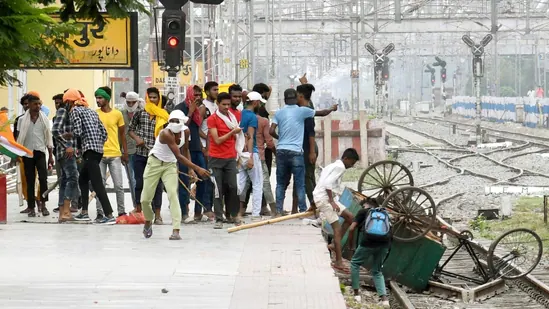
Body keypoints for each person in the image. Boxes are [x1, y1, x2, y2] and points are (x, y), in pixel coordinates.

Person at [141, 110, 210, 240]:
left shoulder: (186, 131)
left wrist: (190, 170)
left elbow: (185, 150)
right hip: (154, 163)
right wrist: (197, 168)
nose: (174, 124)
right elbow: (178, 155)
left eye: (176, 121)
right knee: (145, 199)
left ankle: (176, 230)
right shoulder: (165, 133)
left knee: (173, 194)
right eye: (171, 121)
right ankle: (148, 220)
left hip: (170, 165)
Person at [269, 88, 337, 216]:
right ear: (296, 99)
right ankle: (301, 211)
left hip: (281, 151)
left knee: (281, 183)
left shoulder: (279, 113)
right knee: (300, 183)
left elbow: (271, 131)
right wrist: (332, 108)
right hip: (296, 152)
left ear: (284, 100)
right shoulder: (302, 111)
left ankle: (278, 211)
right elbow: (322, 113)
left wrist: (280, 138)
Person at [63, 89, 115, 224]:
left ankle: (109, 215)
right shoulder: (91, 111)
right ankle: (84, 212)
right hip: (98, 151)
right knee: (83, 179)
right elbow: (104, 133)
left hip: (89, 151)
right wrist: (96, 143)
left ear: (70, 102)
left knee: (97, 184)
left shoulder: (75, 111)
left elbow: (78, 131)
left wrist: (70, 135)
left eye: (66, 103)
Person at [313, 148, 359, 272]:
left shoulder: (333, 165)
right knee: (337, 229)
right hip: (325, 199)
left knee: (350, 217)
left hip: (327, 197)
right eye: (352, 162)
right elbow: (327, 184)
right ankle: (338, 262)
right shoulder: (340, 167)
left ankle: (334, 244)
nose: (352, 165)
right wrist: (332, 202)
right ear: (346, 159)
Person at [128, 88, 167, 223]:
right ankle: (139, 211)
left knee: (157, 185)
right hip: (141, 154)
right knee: (140, 183)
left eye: (155, 97)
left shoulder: (163, 115)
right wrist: (137, 139)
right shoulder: (140, 113)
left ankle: (157, 214)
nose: (152, 100)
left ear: (159, 99)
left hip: (157, 155)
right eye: (150, 97)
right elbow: (130, 130)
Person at [175, 85, 213, 222]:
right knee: (185, 180)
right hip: (184, 149)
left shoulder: (201, 109)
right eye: (195, 95)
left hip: (197, 147)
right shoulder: (180, 108)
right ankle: (184, 213)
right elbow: (181, 127)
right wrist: (190, 112)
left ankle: (198, 212)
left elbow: (201, 128)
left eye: (199, 95)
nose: (197, 98)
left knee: (204, 178)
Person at [207, 92, 243, 229]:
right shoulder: (213, 119)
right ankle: (218, 218)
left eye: (228, 104)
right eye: (224, 104)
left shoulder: (234, 117)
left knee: (233, 187)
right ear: (218, 104)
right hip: (216, 158)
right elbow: (216, 140)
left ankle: (232, 214)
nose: (226, 107)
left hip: (230, 158)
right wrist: (232, 133)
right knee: (218, 189)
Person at [348, 197, 391, 308]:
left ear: (366, 204)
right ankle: (385, 300)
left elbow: (351, 229)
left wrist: (351, 246)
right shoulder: (384, 213)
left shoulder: (363, 212)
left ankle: (357, 294)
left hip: (367, 243)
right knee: (377, 271)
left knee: (355, 263)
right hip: (384, 245)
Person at [16, 94, 54, 217]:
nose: (38, 106)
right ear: (30, 104)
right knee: (30, 180)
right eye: (35, 104)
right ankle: (31, 206)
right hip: (27, 152)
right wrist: (16, 154)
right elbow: (19, 138)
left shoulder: (44, 119)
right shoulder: (22, 120)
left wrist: (51, 156)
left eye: (39, 104)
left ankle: (43, 205)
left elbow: (48, 138)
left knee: (43, 179)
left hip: (40, 152)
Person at [95, 86, 129, 220]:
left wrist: (125, 153)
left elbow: (122, 135)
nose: (98, 100)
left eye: (100, 98)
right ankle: (100, 212)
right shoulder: (95, 113)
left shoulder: (117, 114)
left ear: (107, 99)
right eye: (96, 98)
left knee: (119, 185)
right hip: (99, 154)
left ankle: (121, 211)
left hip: (115, 154)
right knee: (100, 185)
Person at [236, 91, 264, 220]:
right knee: (257, 184)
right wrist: (251, 156)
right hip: (251, 153)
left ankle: (234, 211)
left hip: (239, 152)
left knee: (239, 184)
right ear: (255, 103)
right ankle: (256, 214)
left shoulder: (238, 115)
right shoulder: (252, 117)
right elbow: (251, 137)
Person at [292, 83, 318, 214]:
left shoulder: (306, 112)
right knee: (302, 177)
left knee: (307, 178)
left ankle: (315, 204)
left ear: (301, 96)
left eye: (296, 95)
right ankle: (294, 208)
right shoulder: (304, 108)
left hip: (308, 148)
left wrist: (312, 152)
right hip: (302, 148)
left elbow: (311, 133)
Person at [120, 91, 141, 206]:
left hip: (141, 151)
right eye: (129, 102)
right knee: (131, 180)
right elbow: (120, 134)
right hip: (127, 150)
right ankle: (136, 206)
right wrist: (122, 151)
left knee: (140, 180)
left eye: (133, 102)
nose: (131, 104)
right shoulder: (121, 113)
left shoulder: (142, 113)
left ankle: (143, 205)